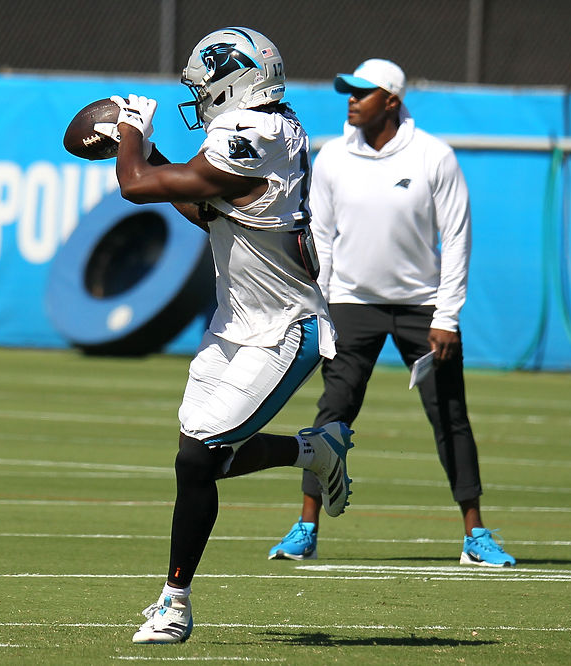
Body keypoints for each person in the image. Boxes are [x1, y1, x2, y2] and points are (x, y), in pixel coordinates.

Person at [99, 27, 354, 644]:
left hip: (284, 329)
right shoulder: (267, 128)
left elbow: (135, 186)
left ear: (232, 82)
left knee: (198, 455)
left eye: (205, 84)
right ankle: (314, 451)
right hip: (234, 326)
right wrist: (150, 153)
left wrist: (129, 132)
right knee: (198, 460)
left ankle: (175, 604)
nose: (199, 96)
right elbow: (201, 205)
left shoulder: (253, 134)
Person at [267, 58, 516, 568]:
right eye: (349, 91)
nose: (352, 100)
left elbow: (457, 239)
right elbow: (321, 239)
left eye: (363, 92)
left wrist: (446, 316)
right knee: (332, 413)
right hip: (350, 304)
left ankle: (475, 534)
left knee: (449, 416)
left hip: (423, 309)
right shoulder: (333, 158)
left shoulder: (434, 157)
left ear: (392, 101)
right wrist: (319, 307)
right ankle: (305, 528)